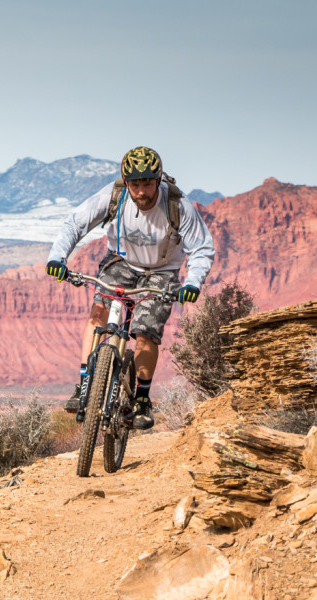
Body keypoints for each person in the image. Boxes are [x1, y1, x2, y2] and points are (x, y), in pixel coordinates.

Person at [46, 146, 215, 429]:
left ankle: (142, 400)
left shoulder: (177, 204)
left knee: (145, 332)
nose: (141, 191)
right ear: (126, 182)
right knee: (99, 311)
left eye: (147, 183)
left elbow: (201, 248)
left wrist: (192, 282)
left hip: (161, 271)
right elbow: (75, 224)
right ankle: (85, 382)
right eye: (135, 184)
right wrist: (57, 257)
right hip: (122, 262)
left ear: (158, 179)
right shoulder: (114, 196)